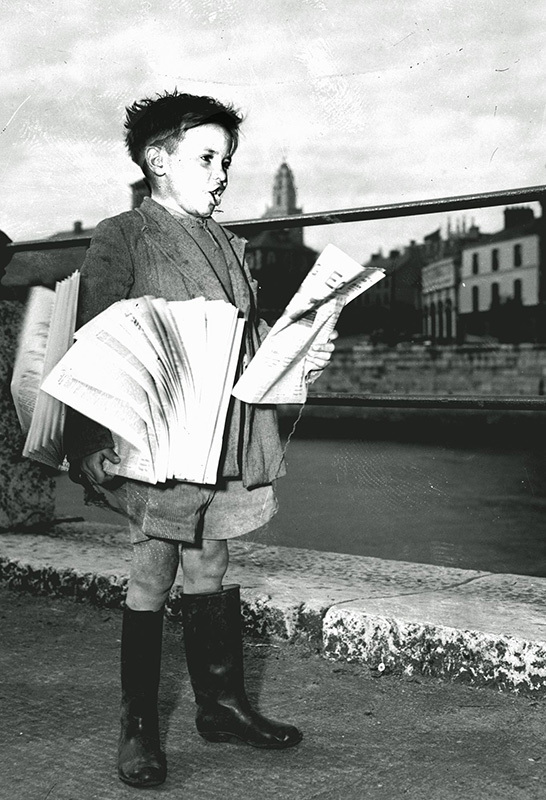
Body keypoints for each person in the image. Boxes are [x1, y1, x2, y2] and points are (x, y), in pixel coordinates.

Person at [65, 90, 336, 788]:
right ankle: (138, 729)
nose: (222, 175)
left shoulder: (226, 243)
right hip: (157, 435)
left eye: (227, 162)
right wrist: (88, 441)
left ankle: (221, 708)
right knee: (153, 568)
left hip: (223, 431)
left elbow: (244, 340)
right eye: (207, 158)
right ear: (158, 160)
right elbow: (88, 344)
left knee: (211, 558)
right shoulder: (125, 234)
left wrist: (298, 353)